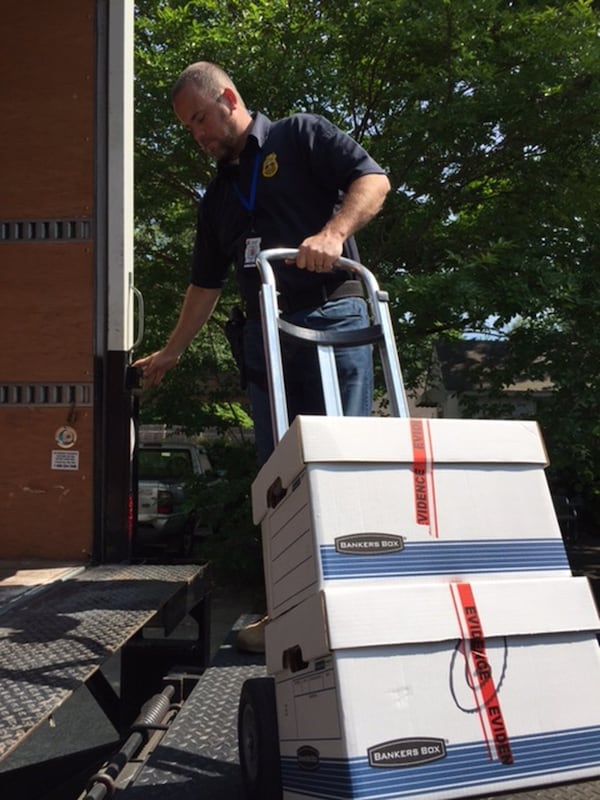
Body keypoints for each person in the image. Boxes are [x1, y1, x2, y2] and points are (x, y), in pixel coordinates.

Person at [134, 61, 391, 651]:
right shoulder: (218, 198)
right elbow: (205, 286)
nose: (197, 135)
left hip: (332, 317)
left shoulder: (300, 135)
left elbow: (372, 180)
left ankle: (355, 599)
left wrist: (332, 233)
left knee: (341, 458)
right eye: (188, 129)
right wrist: (173, 352)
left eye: (200, 119)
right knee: (279, 479)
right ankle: (291, 605)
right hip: (264, 337)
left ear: (227, 98)